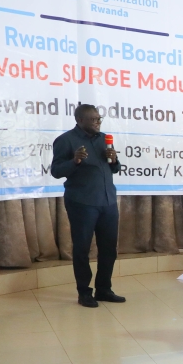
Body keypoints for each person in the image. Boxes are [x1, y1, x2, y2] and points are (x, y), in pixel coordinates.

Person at [50, 103, 124, 307]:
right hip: (82, 203)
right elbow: (56, 171)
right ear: (80, 120)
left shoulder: (104, 139)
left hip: (108, 201)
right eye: (93, 119)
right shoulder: (66, 140)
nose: (98, 122)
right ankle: (84, 292)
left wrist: (114, 160)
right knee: (82, 249)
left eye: (99, 118)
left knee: (109, 248)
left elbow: (115, 168)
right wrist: (74, 161)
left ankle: (104, 289)